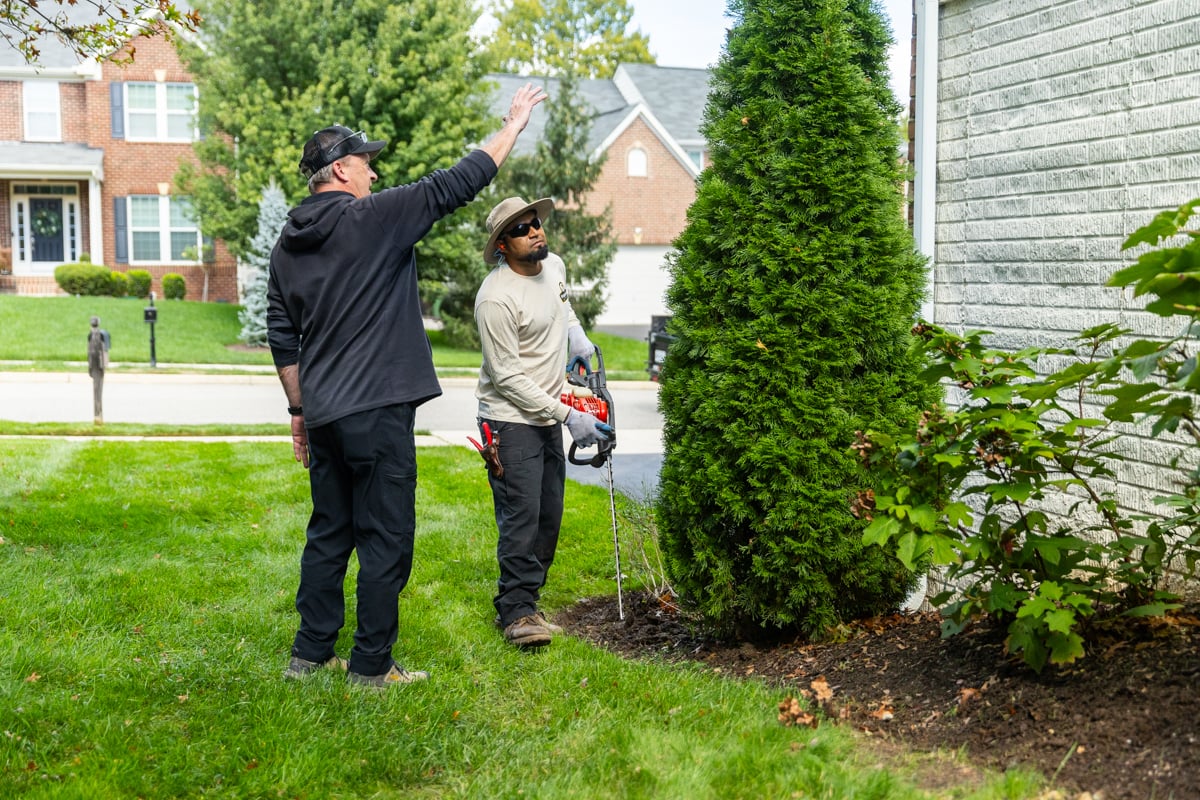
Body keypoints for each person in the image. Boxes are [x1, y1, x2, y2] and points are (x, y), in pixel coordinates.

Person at [267, 84, 547, 688]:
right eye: (366, 160)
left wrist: (298, 410)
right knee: (385, 538)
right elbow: (459, 181)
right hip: (377, 411)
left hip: (324, 415)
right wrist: (513, 126)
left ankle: (309, 655)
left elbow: (281, 334)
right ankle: (371, 668)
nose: (374, 169)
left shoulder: (286, 245)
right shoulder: (373, 218)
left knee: (329, 532)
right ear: (340, 168)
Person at [473, 196, 614, 648]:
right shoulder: (496, 299)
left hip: (548, 411)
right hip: (510, 419)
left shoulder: (554, 267)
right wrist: (568, 415)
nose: (534, 231)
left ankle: (528, 603)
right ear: (501, 246)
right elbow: (508, 378)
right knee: (522, 515)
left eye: (535, 223)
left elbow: (563, 306)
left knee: (549, 512)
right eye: (520, 229)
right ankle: (515, 614)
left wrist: (576, 336)